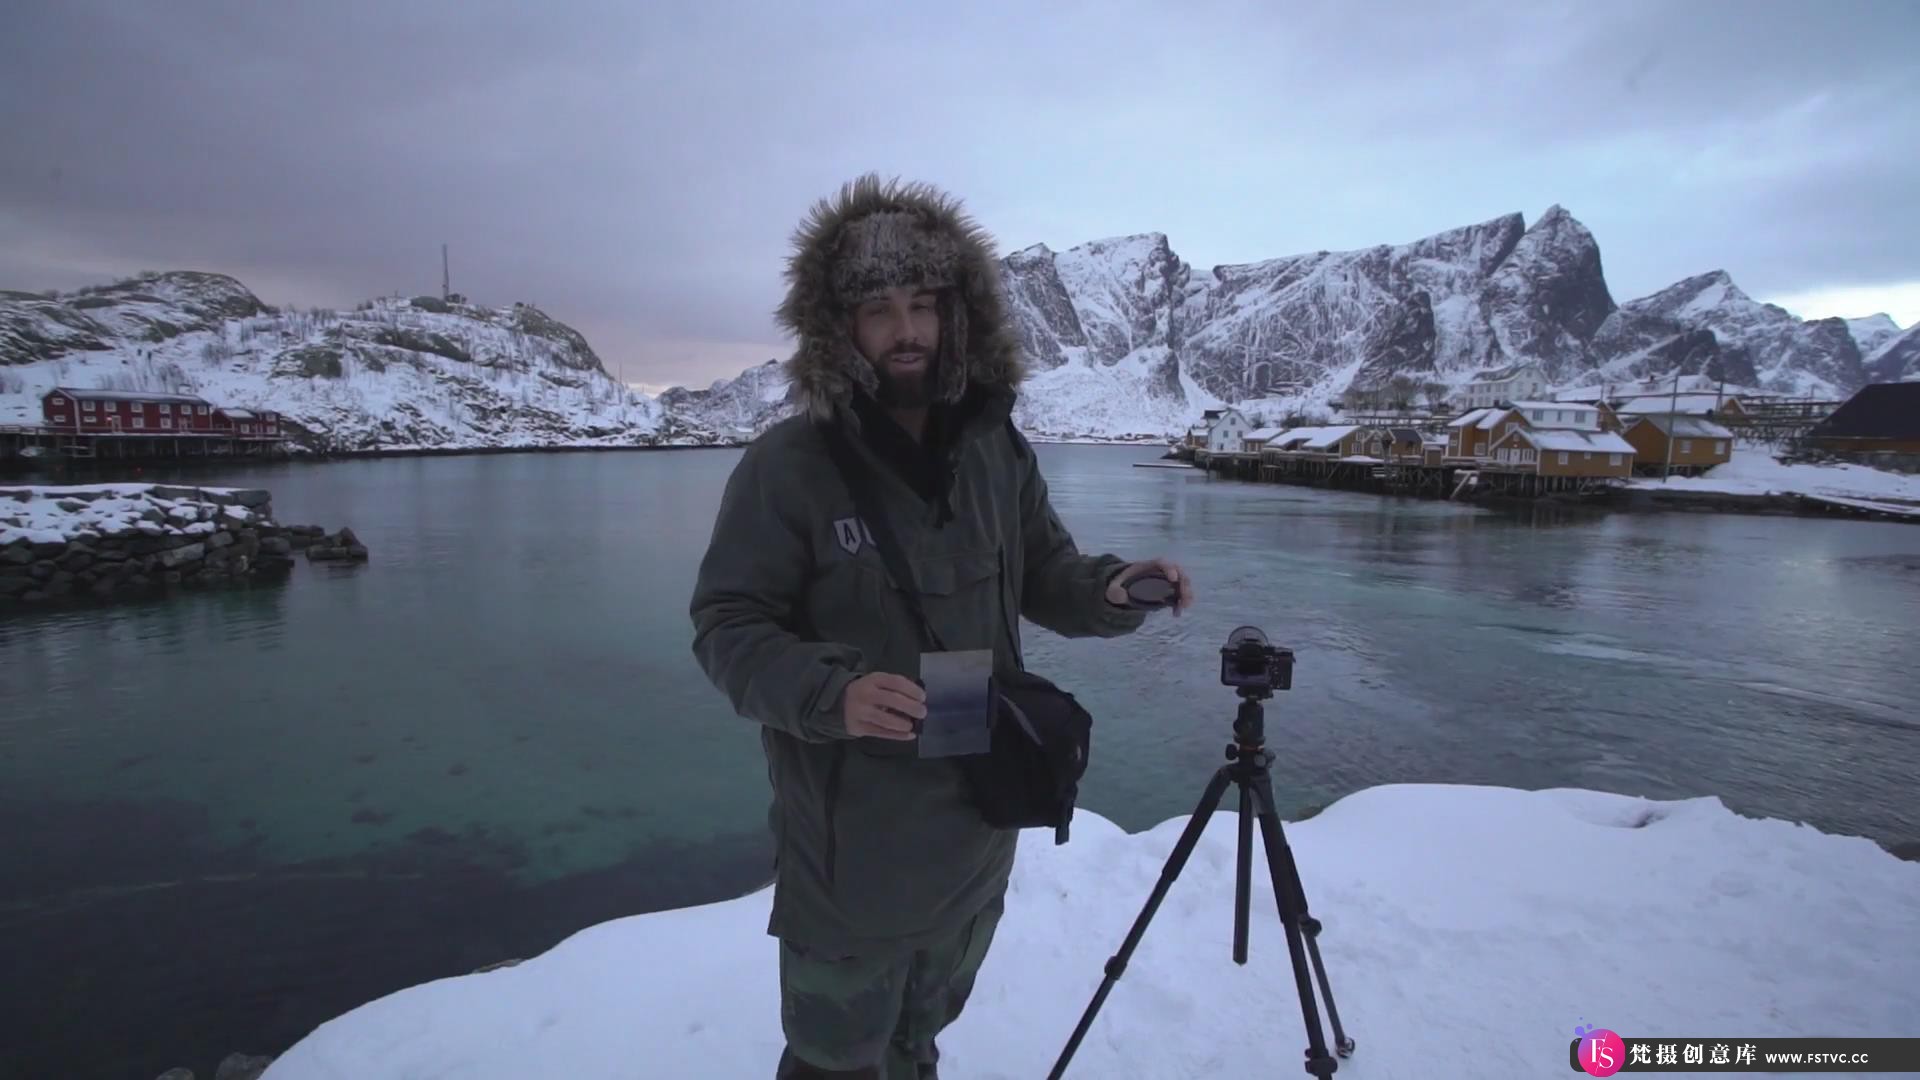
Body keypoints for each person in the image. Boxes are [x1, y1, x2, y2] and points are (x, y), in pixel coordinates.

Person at [688, 173, 1195, 1079]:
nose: (908, 330)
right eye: (880, 309)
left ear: (960, 315)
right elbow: (728, 625)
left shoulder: (995, 449)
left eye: (925, 304)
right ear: (839, 326)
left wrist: (1115, 590)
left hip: (978, 828)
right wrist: (830, 695)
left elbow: (1046, 571)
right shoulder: (789, 466)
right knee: (834, 1060)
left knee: (919, 1045)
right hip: (851, 856)